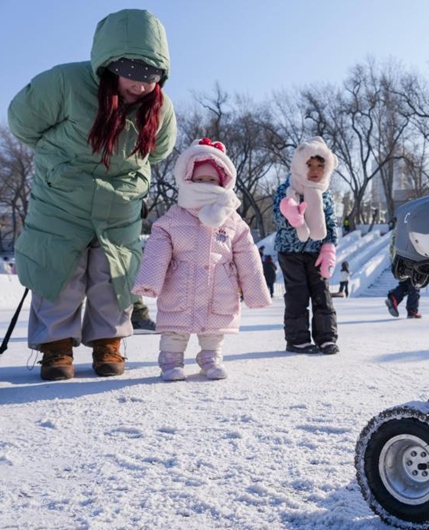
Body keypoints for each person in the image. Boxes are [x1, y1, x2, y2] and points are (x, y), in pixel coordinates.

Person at [7, 9, 177, 381]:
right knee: (59, 271)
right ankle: (55, 348)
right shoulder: (64, 82)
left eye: (151, 75)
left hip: (120, 207)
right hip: (61, 201)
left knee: (113, 275)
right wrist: (59, 166)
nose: (141, 84)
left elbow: (160, 151)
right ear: (108, 64)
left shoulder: (160, 108)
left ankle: (108, 343)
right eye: (131, 71)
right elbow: (22, 122)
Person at [132, 138, 272, 381]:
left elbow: (248, 257)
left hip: (219, 289)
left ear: (223, 182)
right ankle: (170, 361)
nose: (206, 185)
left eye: (211, 181)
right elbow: (157, 251)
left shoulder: (233, 221)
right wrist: (150, 282)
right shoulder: (174, 218)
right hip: (179, 288)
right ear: (188, 181)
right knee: (175, 329)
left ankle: (210, 358)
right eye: (200, 180)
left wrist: (256, 292)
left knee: (214, 330)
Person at [274, 137, 339, 355]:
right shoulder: (287, 189)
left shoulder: (325, 194)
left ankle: (326, 338)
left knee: (322, 293)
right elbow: (278, 217)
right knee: (297, 294)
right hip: (290, 251)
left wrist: (329, 246)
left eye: (320, 166)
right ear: (299, 165)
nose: (314, 171)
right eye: (309, 165)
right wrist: (290, 216)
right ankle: (298, 339)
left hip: (316, 251)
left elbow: (331, 222)